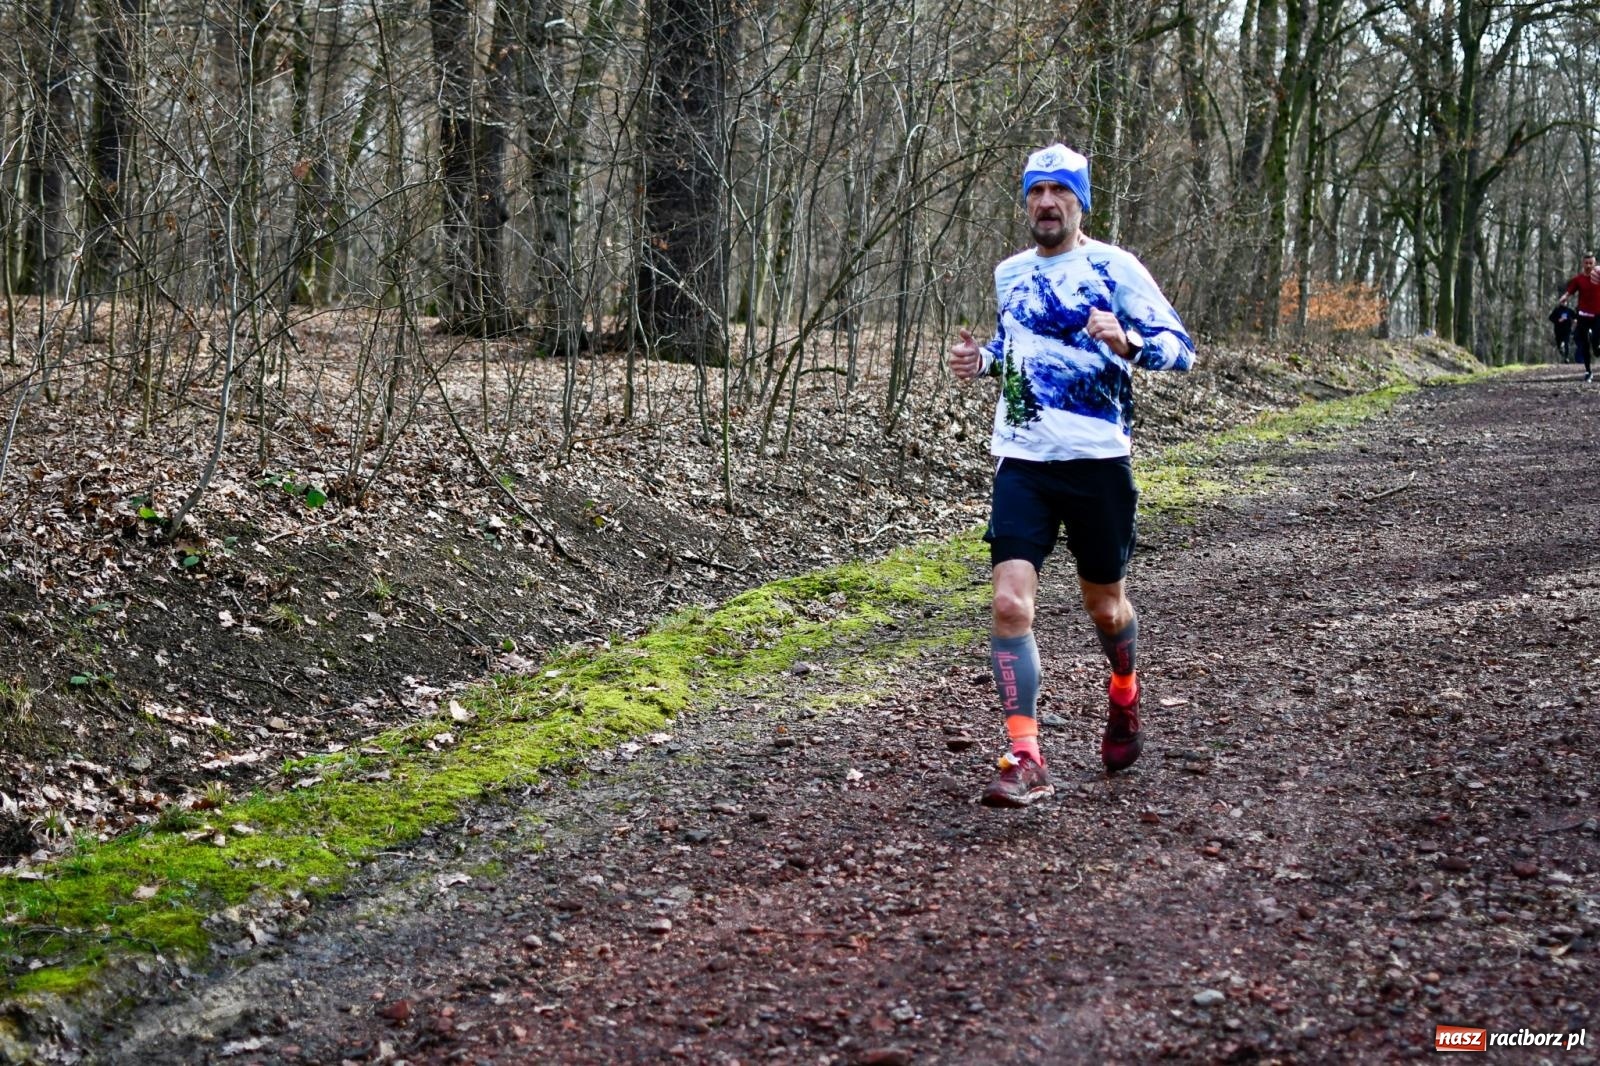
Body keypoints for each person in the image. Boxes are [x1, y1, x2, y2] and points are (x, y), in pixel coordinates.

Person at [949, 143, 1195, 808]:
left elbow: (1181, 351)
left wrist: (1129, 343)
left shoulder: (1114, 268)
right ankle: (1024, 754)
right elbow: (1019, 351)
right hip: (1023, 460)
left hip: (1098, 462)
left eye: (1060, 191)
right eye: (1036, 191)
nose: (1047, 203)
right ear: (1025, 201)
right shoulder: (1010, 274)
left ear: (1080, 202)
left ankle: (1124, 692)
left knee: (1105, 607)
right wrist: (985, 363)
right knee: (1008, 603)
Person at [1558, 251, 1600, 382]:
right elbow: (1570, 290)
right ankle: (1588, 371)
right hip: (1583, 315)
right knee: (1584, 344)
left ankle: (1597, 349)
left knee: (1595, 341)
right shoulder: (1578, 279)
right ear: (1583, 264)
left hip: (1598, 315)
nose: (1588, 266)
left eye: (1591, 263)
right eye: (1586, 263)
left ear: (1595, 264)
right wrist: (1564, 297)